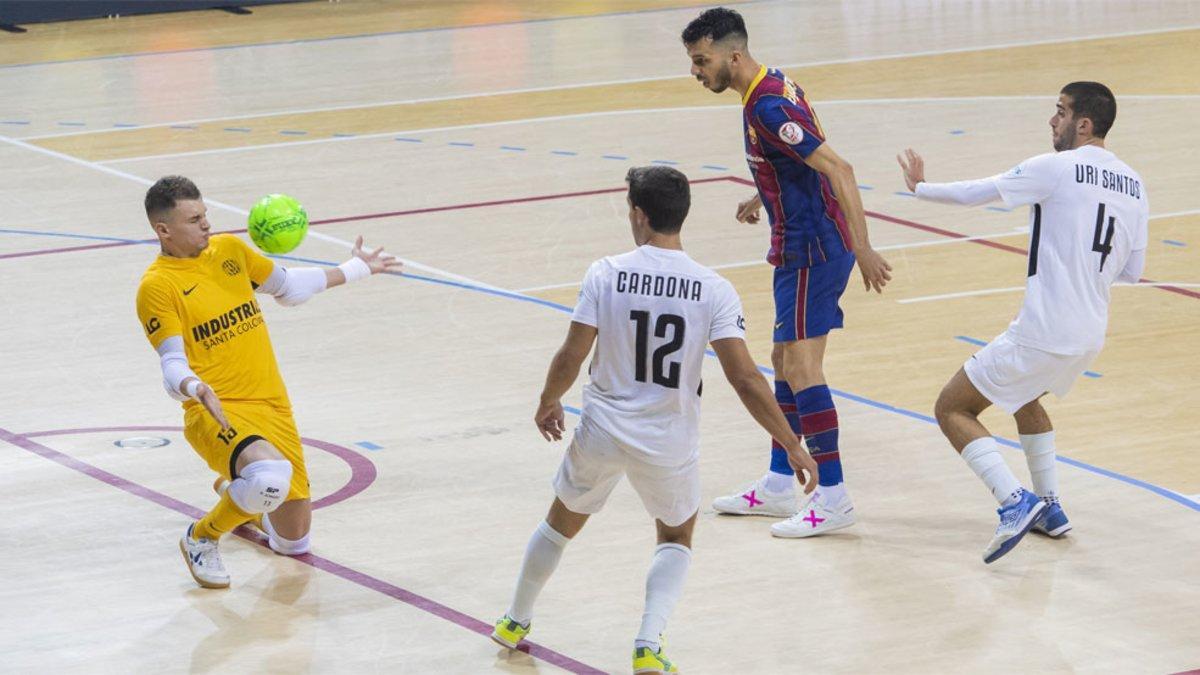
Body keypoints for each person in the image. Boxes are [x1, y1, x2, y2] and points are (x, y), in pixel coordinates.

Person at [490, 166, 817, 673]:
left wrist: (549, 399)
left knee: (559, 523)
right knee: (675, 537)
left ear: (638, 215)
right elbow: (746, 378)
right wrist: (791, 443)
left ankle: (515, 618)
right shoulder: (713, 289)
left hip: (601, 429)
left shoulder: (606, 271)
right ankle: (647, 645)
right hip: (668, 440)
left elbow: (572, 355)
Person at [897, 82, 1148, 563]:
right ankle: (1051, 508)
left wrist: (921, 188)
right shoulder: (1135, 183)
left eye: (1059, 112)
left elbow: (980, 192)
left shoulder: (1056, 167)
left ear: (1084, 124)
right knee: (1023, 394)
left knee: (952, 407)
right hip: (1090, 332)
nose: (1051, 121)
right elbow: (1132, 270)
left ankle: (1015, 502)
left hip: (1046, 328)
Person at [681, 7, 892, 538]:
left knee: (801, 368)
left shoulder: (769, 106)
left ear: (732, 55)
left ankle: (835, 495)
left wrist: (864, 248)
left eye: (701, 61)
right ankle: (779, 484)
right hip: (799, 243)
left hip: (813, 248)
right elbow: (798, 158)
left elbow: (839, 168)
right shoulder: (771, 84)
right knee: (782, 360)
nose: (696, 72)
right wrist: (764, 191)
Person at [135, 175, 402, 588]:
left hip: (273, 405)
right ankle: (202, 537)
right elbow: (171, 363)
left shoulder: (229, 250)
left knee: (293, 542)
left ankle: (243, 492)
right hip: (218, 411)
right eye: (193, 220)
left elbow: (289, 288)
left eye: (205, 215)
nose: (206, 225)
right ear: (163, 230)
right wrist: (193, 387)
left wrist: (357, 268)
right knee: (270, 476)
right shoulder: (157, 286)